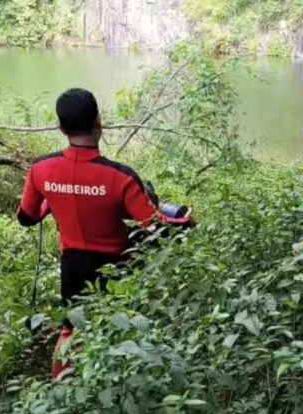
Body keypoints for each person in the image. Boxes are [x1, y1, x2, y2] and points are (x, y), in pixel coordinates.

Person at [16, 88, 192, 379]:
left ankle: (60, 386)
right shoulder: (120, 176)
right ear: (99, 121)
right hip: (117, 265)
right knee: (118, 325)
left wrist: (53, 199)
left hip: (72, 265)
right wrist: (185, 220)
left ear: (61, 128)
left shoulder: (40, 169)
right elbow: (156, 227)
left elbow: (26, 217)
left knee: (70, 330)